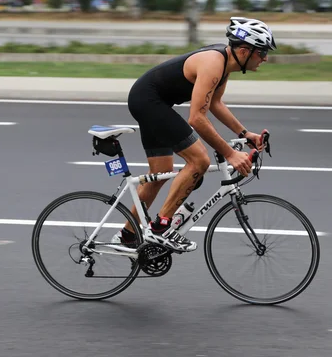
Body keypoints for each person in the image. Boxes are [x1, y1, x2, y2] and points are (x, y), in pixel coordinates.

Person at [111, 17, 277, 253]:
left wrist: (244, 133)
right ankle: (161, 228)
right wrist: (229, 154)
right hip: (149, 101)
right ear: (244, 51)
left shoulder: (225, 64)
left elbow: (215, 104)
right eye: (262, 53)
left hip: (153, 102)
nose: (265, 59)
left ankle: (127, 235)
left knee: (159, 174)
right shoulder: (213, 64)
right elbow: (196, 118)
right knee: (199, 159)